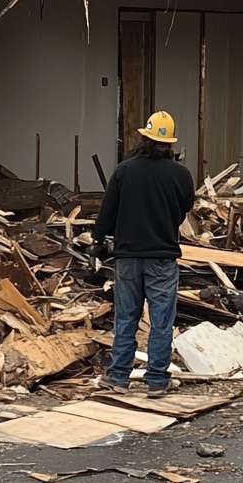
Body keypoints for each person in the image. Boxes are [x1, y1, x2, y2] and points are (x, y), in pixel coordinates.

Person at [92, 110, 195, 397]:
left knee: (126, 317)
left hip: (127, 257)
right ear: (170, 143)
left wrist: (98, 241)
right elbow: (186, 206)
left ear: (144, 137)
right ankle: (157, 381)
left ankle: (118, 378)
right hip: (162, 257)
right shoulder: (180, 174)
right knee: (161, 321)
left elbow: (107, 210)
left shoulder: (125, 171)